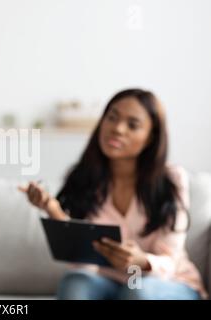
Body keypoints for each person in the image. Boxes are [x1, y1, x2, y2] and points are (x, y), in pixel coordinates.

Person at [20, 89, 207, 300]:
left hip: (163, 282)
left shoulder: (171, 179)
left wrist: (142, 261)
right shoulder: (84, 177)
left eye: (132, 125)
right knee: (75, 282)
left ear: (150, 137)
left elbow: (170, 260)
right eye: (112, 117)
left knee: (137, 290)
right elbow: (80, 258)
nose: (117, 129)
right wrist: (52, 209)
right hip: (110, 282)